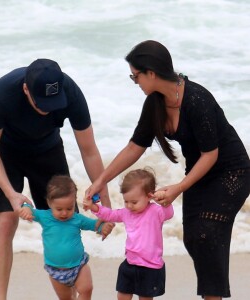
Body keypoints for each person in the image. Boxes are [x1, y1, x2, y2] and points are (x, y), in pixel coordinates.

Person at [85, 40, 250, 300]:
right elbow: (135, 146)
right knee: (193, 238)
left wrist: (179, 188)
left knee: (206, 234)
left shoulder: (197, 99)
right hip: (199, 173)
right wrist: (100, 181)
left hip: (232, 172)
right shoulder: (155, 103)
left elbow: (211, 154)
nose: (135, 81)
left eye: (135, 76)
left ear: (151, 72)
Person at [0, 58, 113, 300]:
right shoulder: (3, 93)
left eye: (53, 103)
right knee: (6, 221)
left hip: (47, 151)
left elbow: (89, 149)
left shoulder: (71, 92)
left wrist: (105, 199)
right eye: (41, 103)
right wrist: (11, 194)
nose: (48, 109)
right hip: (6, 153)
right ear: (25, 89)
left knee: (65, 219)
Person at [83, 168, 174, 300]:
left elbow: (169, 213)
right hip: (130, 263)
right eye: (126, 201)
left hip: (150, 266)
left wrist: (164, 200)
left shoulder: (156, 212)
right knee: (122, 295)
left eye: (134, 202)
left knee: (145, 298)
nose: (129, 206)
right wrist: (93, 207)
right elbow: (110, 214)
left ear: (149, 196)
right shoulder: (126, 213)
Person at [20, 175, 107, 300]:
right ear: (49, 203)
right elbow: (29, 208)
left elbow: (95, 225)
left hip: (79, 266)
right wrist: (26, 209)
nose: (65, 213)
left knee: (86, 289)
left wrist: (103, 227)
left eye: (69, 208)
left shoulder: (77, 219)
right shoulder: (45, 217)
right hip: (56, 271)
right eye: (59, 209)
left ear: (74, 202)